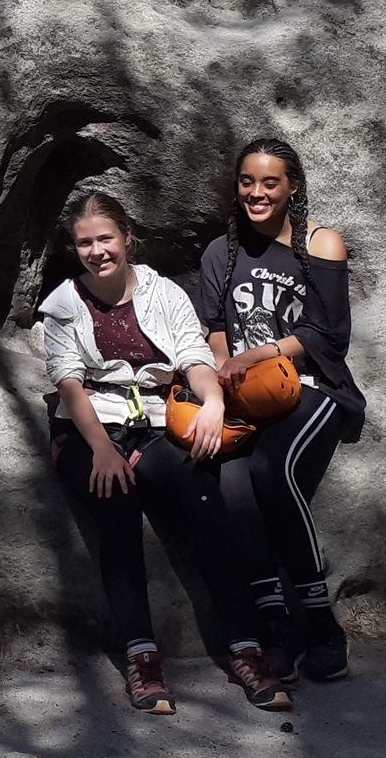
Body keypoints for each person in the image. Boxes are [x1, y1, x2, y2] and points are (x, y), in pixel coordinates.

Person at [42, 190, 291, 715]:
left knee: (206, 502)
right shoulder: (64, 305)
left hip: (156, 420)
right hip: (91, 426)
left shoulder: (165, 294)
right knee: (115, 506)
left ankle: (244, 647)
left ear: (128, 237)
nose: (96, 251)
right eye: (85, 242)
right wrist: (103, 450)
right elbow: (68, 384)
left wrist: (214, 403)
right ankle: (141, 655)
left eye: (105, 238)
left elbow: (195, 357)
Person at [198, 139, 365, 684]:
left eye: (270, 182)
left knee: (273, 471)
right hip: (247, 397)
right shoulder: (219, 252)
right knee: (231, 483)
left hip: (314, 388)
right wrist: (225, 372)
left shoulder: (322, 244)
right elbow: (217, 328)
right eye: (247, 181)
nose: (257, 192)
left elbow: (329, 334)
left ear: (292, 185)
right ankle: (276, 626)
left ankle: (319, 623)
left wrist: (260, 354)